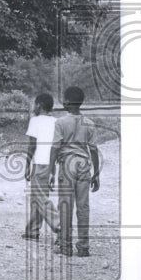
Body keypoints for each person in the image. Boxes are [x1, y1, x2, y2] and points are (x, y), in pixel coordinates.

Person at [49, 86, 100, 257]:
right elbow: (93, 150)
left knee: (65, 205)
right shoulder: (89, 123)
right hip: (84, 164)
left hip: (67, 164)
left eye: (64, 98)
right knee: (83, 206)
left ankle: (65, 246)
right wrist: (96, 173)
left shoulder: (61, 122)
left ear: (67, 102)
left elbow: (55, 148)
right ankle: (84, 247)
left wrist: (50, 171)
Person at [24, 93, 58, 240]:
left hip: (40, 162)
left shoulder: (35, 121)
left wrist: (27, 164)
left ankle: (59, 226)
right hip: (51, 163)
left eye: (34, 104)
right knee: (37, 196)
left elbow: (32, 145)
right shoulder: (57, 121)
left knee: (40, 197)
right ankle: (32, 230)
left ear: (39, 105)